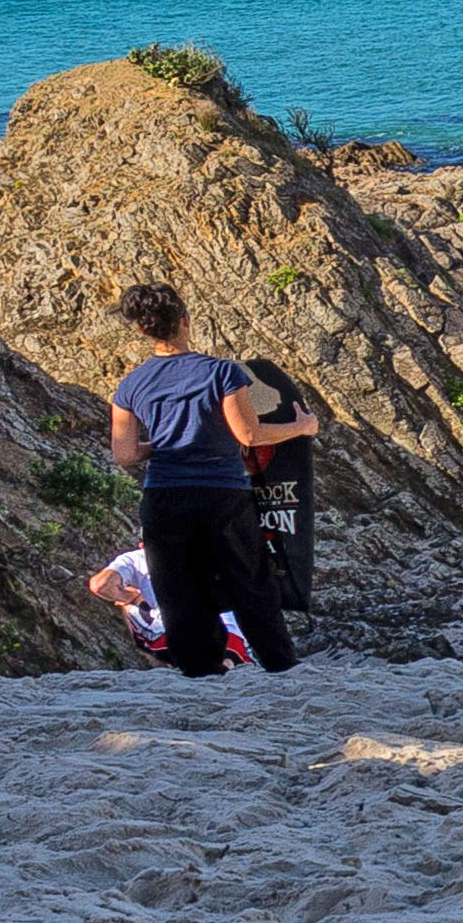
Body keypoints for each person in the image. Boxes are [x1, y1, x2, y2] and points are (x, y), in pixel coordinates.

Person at [106, 281, 316, 677]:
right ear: (185, 321)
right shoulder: (221, 372)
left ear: (142, 331)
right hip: (221, 494)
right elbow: (249, 435)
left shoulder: (130, 385)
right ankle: (280, 665)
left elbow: (126, 454)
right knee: (250, 583)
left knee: (178, 592)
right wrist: (301, 428)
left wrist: (167, 442)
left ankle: (200, 671)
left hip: (164, 498)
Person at [88, 546, 250, 669]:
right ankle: (227, 661)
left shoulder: (137, 558)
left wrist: (134, 597)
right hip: (231, 636)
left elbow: (101, 585)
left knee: (126, 604)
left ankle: (162, 665)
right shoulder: (214, 550)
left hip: (173, 636)